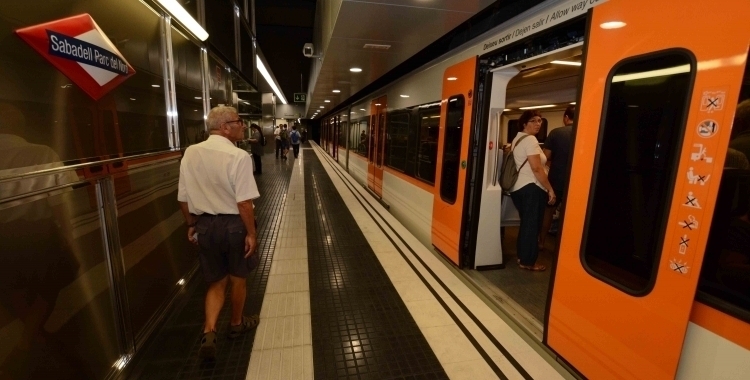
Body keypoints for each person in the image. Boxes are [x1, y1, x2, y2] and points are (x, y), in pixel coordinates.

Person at [177, 105, 261, 360]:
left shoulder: (191, 153)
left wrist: (192, 224)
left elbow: (182, 197)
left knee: (215, 283)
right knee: (238, 278)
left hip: (205, 226)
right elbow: (244, 203)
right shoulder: (239, 157)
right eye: (239, 122)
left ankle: (209, 331)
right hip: (234, 226)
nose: (243, 126)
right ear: (225, 127)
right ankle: (236, 323)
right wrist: (252, 233)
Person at [508, 110, 556, 271]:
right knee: (532, 226)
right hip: (532, 188)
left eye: (540, 121)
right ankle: (528, 261)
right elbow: (536, 168)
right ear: (524, 124)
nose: (538, 124)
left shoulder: (517, 139)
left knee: (526, 224)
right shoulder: (530, 140)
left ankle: (523, 256)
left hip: (519, 188)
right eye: (533, 121)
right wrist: (550, 188)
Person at [540, 105, 575, 250]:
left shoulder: (556, 133)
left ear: (566, 118)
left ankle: (541, 242)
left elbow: (545, 157)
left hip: (556, 179)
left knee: (548, 211)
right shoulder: (587, 132)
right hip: (576, 180)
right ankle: (567, 246)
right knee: (571, 213)